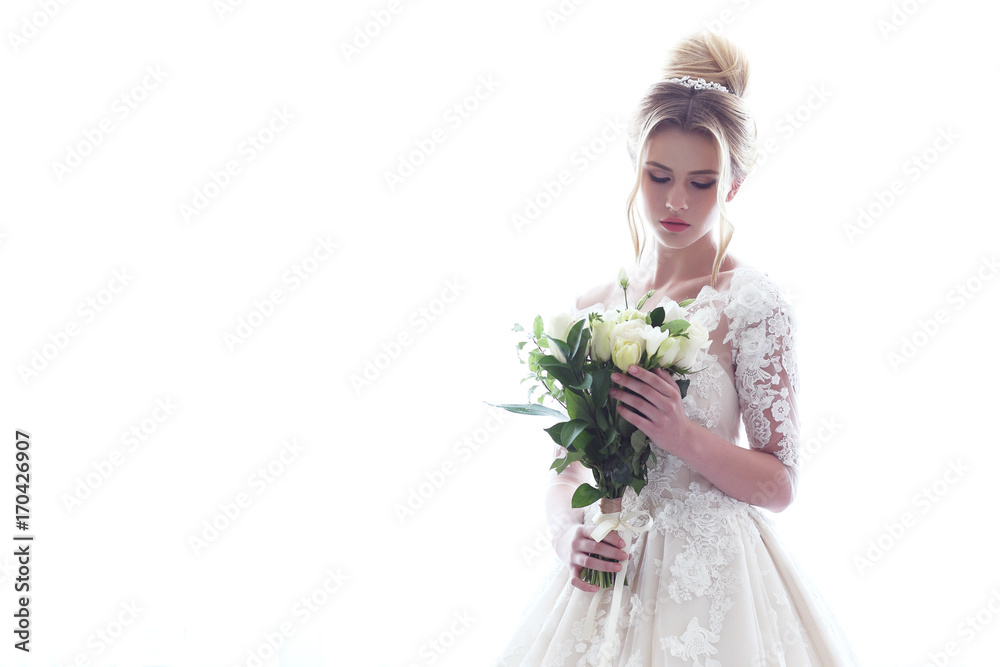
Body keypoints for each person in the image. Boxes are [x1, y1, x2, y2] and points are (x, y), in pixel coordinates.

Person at [494, 31, 861, 666]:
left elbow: (780, 482)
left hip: (717, 586)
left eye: (702, 183)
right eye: (658, 175)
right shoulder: (593, 306)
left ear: (734, 187)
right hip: (611, 575)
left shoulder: (754, 302)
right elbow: (566, 471)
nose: (675, 201)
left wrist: (681, 433)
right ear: (633, 163)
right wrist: (568, 535)